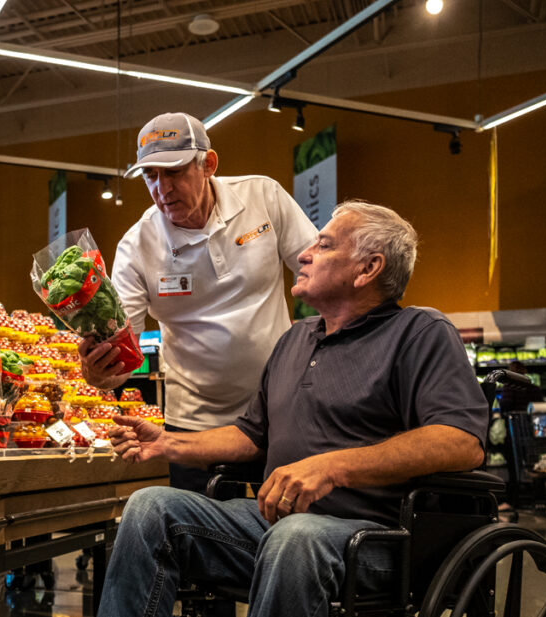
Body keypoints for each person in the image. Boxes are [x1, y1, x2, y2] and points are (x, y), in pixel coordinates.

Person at [97, 200, 488, 617]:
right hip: (277, 525)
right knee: (149, 508)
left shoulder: (419, 332)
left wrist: (331, 466)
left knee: (296, 537)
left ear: (368, 269)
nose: (303, 253)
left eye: (324, 246)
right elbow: (250, 435)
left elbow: (461, 441)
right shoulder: (295, 338)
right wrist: (169, 443)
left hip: (379, 538)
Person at [79, 112, 318, 493]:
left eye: (173, 172)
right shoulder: (137, 247)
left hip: (280, 411)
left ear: (208, 164)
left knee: (281, 532)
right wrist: (101, 374)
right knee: (197, 541)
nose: (162, 189)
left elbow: (320, 274)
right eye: (151, 176)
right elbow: (123, 359)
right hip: (194, 427)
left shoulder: (263, 197)